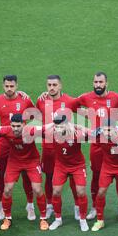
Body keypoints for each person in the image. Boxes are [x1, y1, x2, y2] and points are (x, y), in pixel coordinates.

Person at [73, 72, 118, 220]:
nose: (98, 85)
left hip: (113, 143)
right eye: (95, 82)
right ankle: (94, 208)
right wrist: (85, 113)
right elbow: (71, 105)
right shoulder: (86, 97)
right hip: (97, 145)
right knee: (96, 176)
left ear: (107, 83)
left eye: (100, 82)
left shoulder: (116, 98)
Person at [0, 75, 36, 221]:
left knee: (27, 173)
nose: (9, 89)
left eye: (12, 86)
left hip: (24, 142)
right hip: (5, 143)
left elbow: (35, 115)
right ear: (3, 86)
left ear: (16, 86)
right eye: (7, 86)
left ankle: (30, 205)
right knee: (2, 173)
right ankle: (2, 205)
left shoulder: (25, 99)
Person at [0, 114, 49, 231]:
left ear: (24, 124)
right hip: (14, 162)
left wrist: (65, 125)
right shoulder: (6, 130)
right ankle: (7, 218)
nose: (15, 129)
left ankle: (43, 218)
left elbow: (47, 127)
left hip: (32, 161)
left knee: (37, 189)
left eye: (18, 126)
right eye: (13, 126)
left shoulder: (31, 130)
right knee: (7, 189)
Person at [35, 75, 81, 220]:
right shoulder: (41, 101)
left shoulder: (70, 101)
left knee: (73, 177)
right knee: (48, 176)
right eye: (49, 85)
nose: (51, 88)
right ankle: (49, 205)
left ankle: (78, 207)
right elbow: (35, 116)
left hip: (68, 147)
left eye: (54, 85)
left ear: (60, 86)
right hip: (48, 147)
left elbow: (85, 111)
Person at [44, 115, 89, 232]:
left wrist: (79, 126)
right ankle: (58, 219)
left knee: (81, 191)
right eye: (56, 126)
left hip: (77, 166)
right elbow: (33, 130)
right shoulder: (51, 133)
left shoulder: (77, 135)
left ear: (66, 124)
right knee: (56, 191)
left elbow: (93, 133)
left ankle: (83, 219)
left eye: (61, 126)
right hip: (61, 166)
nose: (58, 129)